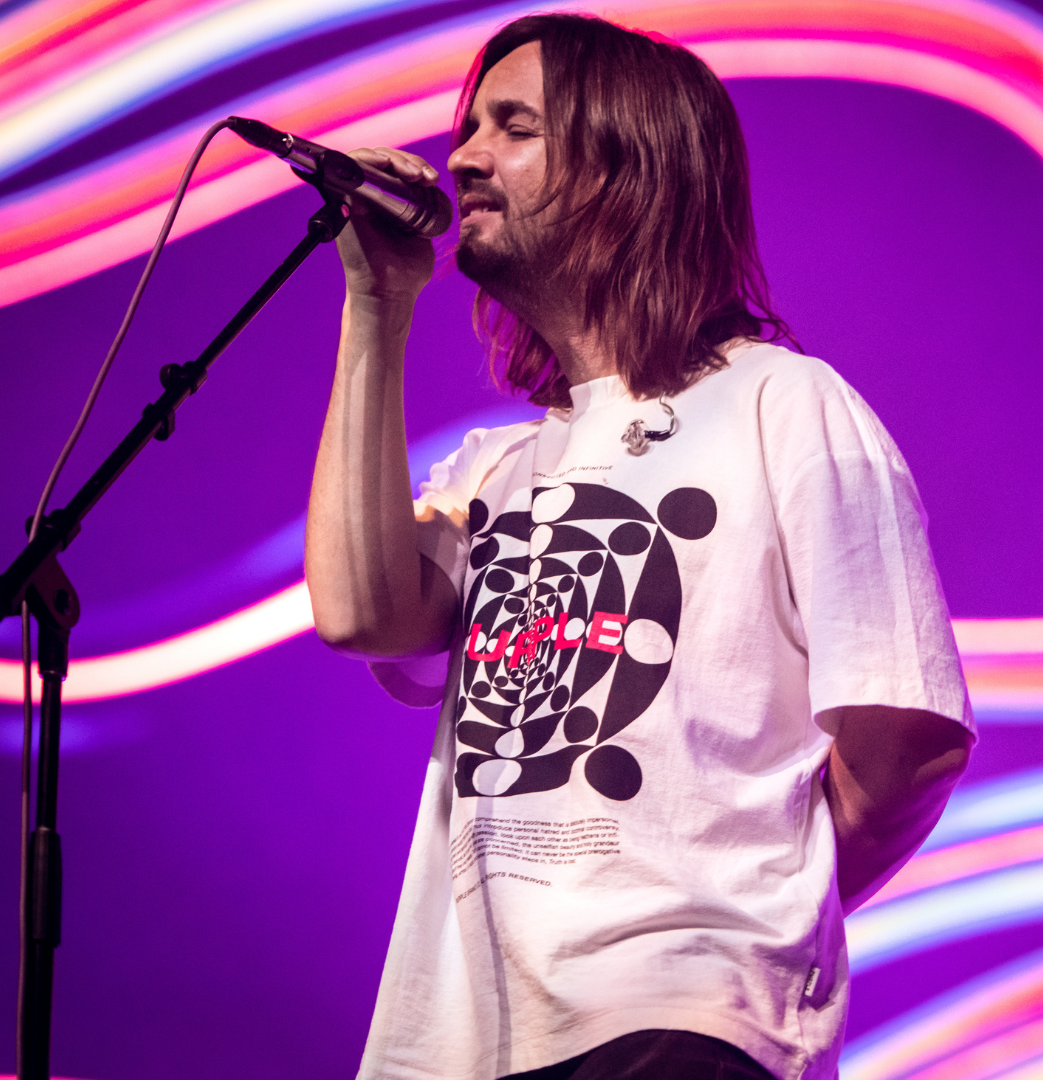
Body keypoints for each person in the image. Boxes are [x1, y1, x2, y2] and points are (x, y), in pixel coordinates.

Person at [304, 14, 974, 1080]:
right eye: (467, 127)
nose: (463, 158)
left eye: (513, 127)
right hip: (463, 1045)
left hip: (682, 1025)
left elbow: (906, 739)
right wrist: (377, 302)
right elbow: (360, 613)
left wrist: (746, 912)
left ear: (626, 169)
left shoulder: (783, 404)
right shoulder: (495, 467)